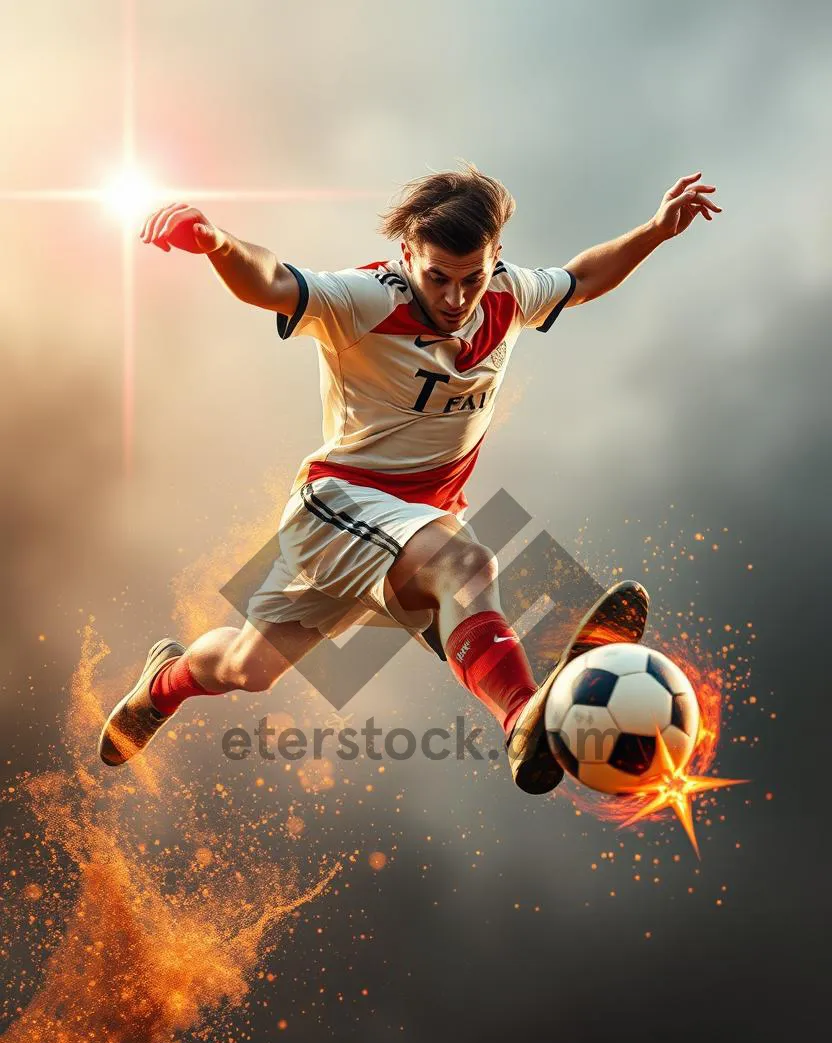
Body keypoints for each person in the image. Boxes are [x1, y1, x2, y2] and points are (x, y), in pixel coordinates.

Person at [99, 163, 720, 793]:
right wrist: (219, 244)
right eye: (438, 278)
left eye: (470, 279)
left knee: (247, 667)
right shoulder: (366, 299)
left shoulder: (510, 292)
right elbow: (272, 281)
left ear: (494, 257)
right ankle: (523, 718)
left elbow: (582, 279)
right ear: (407, 255)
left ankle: (164, 682)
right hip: (338, 506)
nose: (455, 300)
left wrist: (655, 230)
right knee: (466, 566)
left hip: (407, 525)